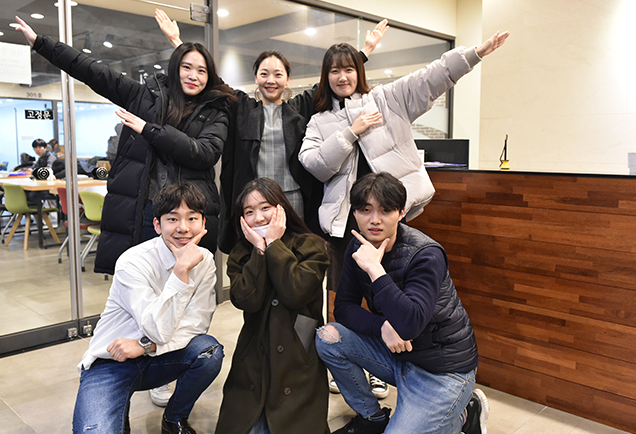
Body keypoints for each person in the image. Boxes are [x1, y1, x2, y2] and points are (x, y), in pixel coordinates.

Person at [298, 30, 509, 311]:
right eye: (334, 71)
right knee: (342, 295)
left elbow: (428, 79)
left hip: (389, 214)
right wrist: (350, 132)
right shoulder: (318, 121)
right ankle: (340, 338)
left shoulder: (386, 99)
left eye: (349, 69)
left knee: (391, 287)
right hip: (345, 222)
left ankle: (390, 335)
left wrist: (474, 54)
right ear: (326, 77)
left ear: (359, 72)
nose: (342, 77)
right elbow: (313, 164)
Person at [154, 8, 387, 254]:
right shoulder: (241, 107)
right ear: (256, 77)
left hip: (293, 199)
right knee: (255, 256)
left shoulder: (300, 107)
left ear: (287, 78)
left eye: (278, 74)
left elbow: (330, 79)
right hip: (253, 203)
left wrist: (366, 50)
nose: (271, 80)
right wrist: (176, 42)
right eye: (264, 74)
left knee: (294, 256)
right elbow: (213, 81)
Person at [15, 16, 233, 276]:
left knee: (190, 284)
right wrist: (42, 44)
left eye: (201, 71)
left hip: (190, 215)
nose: (193, 76)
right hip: (146, 210)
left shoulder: (216, 111)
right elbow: (94, 72)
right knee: (141, 282)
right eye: (186, 67)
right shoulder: (144, 97)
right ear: (175, 67)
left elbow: (204, 154)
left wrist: (149, 130)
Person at [315, 172, 487, 434]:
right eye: (365, 210)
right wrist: (382, 327)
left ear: (401, 212)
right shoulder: (357, 248)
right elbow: (344, 308)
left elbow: (409, 325)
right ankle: (372, 418)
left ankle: (463, 415)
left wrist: (375, 270)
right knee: (328, 337)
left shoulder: (425, 254)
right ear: (355, 213)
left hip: (441, 369)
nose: (374, 220)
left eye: (385, 210)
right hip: (399, 355)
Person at [71, 183, 223, 434]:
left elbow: (197, 324)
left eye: (192, 218)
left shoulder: (204, 260)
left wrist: (145, 346)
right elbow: (155, 327)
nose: (183, 228)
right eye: (172, 219)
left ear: (203, 223)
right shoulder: (133, 261)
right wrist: (181, 272)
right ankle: (118, 412)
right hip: (112, 360)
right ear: (157, 225)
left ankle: (174, 419)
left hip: (159, 356)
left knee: (209, 351)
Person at [214, 178, 330, 434]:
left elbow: (295, 293)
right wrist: (259, 251)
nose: (258, 218)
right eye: (249, 212)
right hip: (255, 353)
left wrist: (275, 244)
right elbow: (247, 300)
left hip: (297, 353)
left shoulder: (312, 246)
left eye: (265, 207)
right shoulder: (241, 252)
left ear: (281, 208)